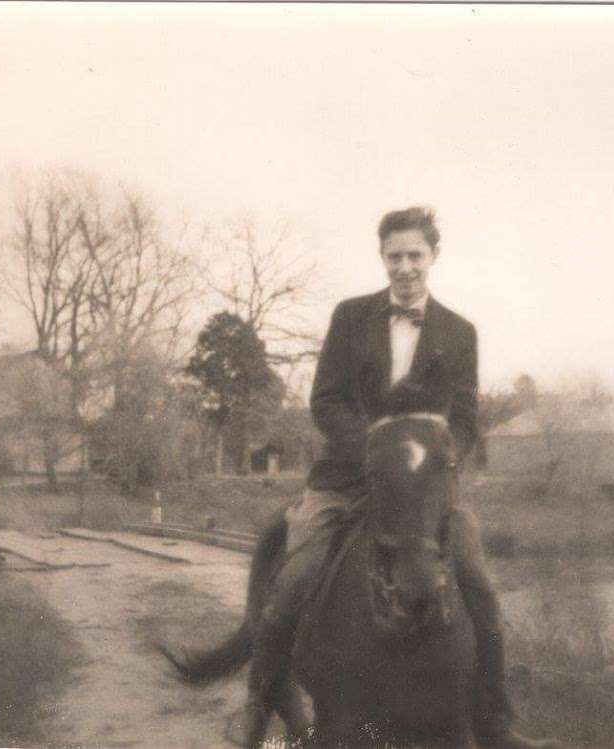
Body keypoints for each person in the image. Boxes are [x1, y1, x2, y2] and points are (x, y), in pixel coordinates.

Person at [234, 206, 541, 748]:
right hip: (347, 479)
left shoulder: (459, 331)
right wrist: (377, 452)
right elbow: (325, 400)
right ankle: (259, 705)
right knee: (291, 585)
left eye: (415, 255)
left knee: (483, 592)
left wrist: (440, 459)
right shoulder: (350, 317)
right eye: (394, 256)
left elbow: (466, 418)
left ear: (433, 257)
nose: (405, 267)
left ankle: (494, 719)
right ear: (382, 258)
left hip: (423, 489)